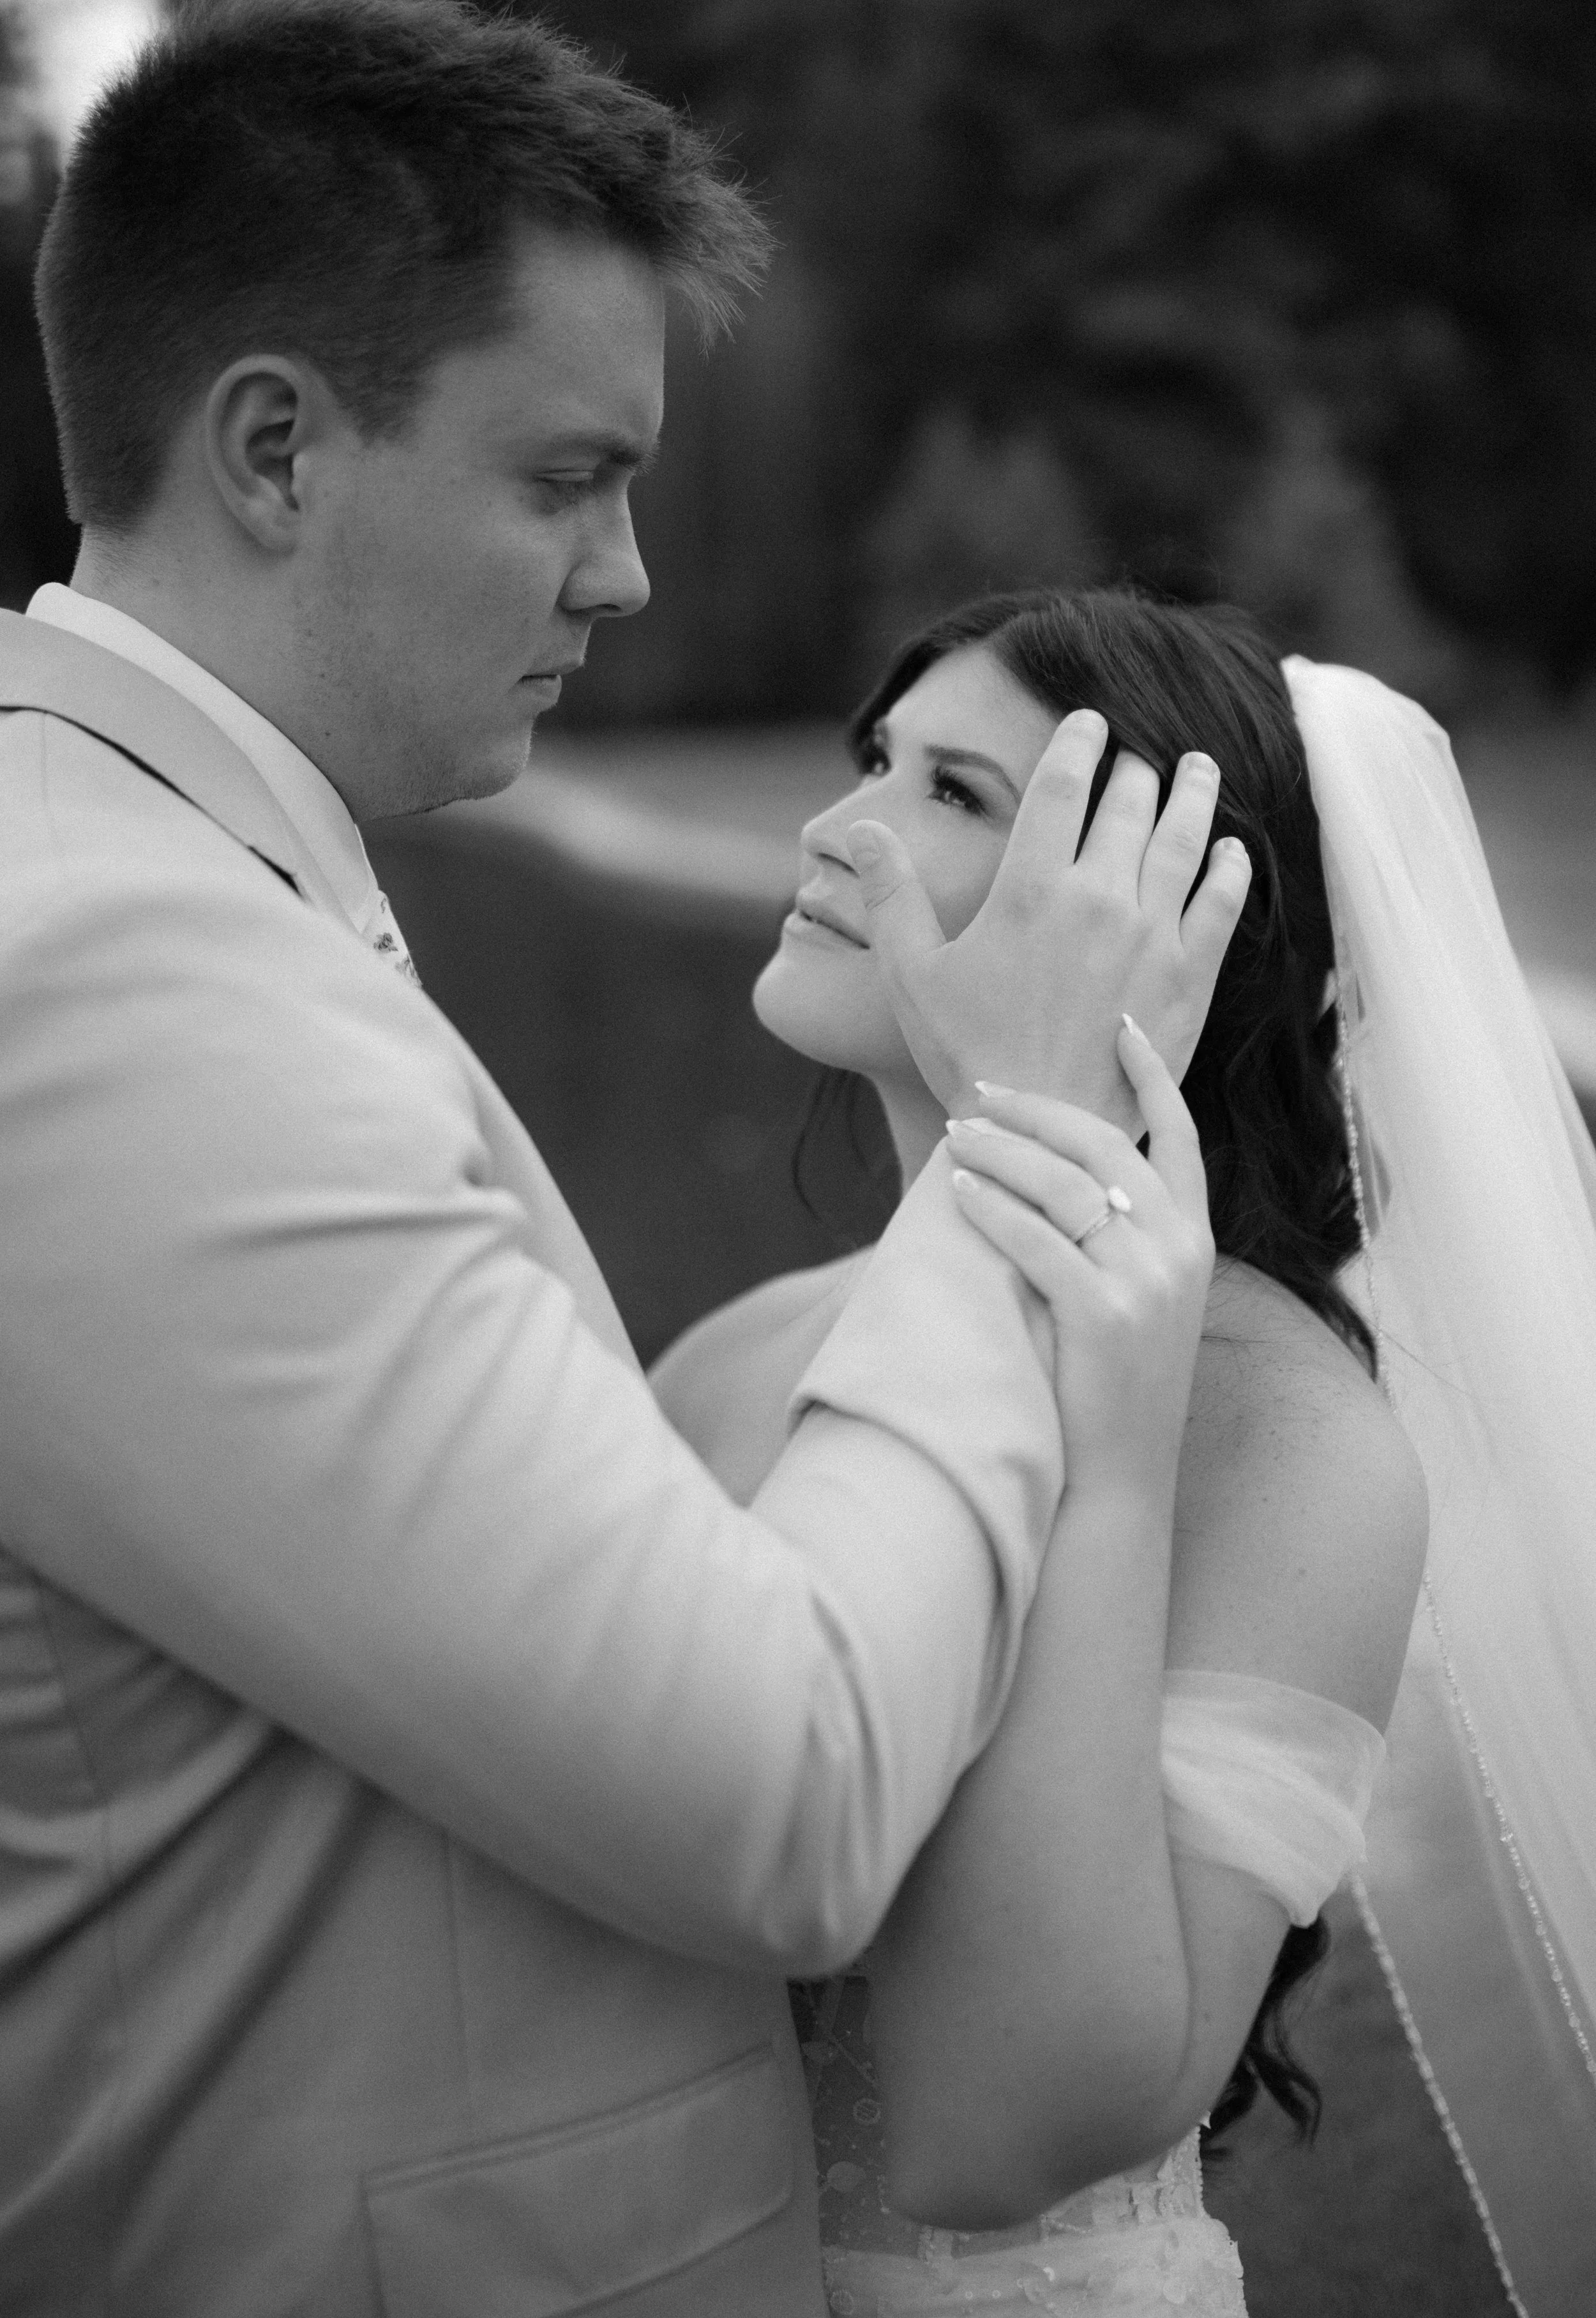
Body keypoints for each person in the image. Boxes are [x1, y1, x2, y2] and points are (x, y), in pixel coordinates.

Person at [0, 0, 1258, 2318]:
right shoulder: (105, 981)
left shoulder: (161, 889)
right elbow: (775, 1791)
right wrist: (1022, 1139)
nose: (631, 574)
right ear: (273, 449)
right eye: (564, 477)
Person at [652, 583, 1596, 2314]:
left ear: (1168, 921)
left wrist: (1110, 1453)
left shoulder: (1284, 1436)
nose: (832, 829)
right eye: (879, 758)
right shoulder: (735, 1361)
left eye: (954, 796)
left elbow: (986, 2135)